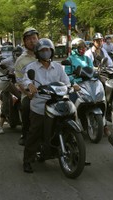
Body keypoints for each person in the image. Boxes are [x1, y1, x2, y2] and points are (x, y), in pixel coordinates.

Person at [22, 38, 71, 173]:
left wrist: (73, 86)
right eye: (42, 50)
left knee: (70, 120)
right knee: (35, 132)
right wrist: (30, 85)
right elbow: (25, 79)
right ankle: (27, 160)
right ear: (38, 53)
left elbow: (66, 81)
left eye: (48, 50)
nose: (45, 52)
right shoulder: (32, 67)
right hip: (40, 104)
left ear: (52, 51)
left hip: (57, 103)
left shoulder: (58, 67)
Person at [15, 27, 39, 145]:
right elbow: (19, 82)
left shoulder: (44, 54)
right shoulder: (20, 60)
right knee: (26, 107)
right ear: (24, 42)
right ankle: (25, 134)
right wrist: (28, 94)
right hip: (29, 94)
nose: (32, 41)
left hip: (46, 92)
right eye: (29, 39)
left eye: (34, 38)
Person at [0, 46, 24, 134]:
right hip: (9, 84)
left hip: (21, 84)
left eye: (20, 54)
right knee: (6, 103)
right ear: (13, 54)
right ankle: (0, 126)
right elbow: (0, 67)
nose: (18, 56)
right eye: (17, 54)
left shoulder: (24, 61)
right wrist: (7, 73)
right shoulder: (7, 61)